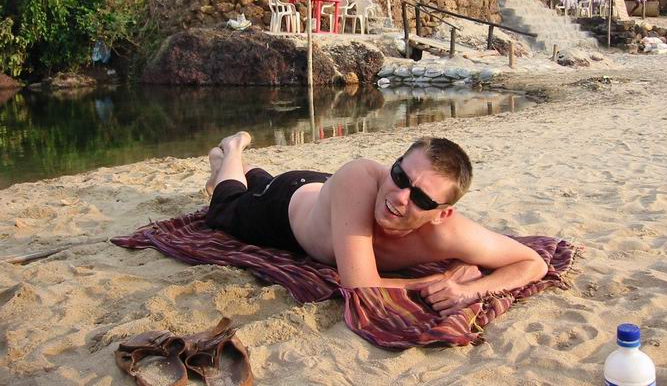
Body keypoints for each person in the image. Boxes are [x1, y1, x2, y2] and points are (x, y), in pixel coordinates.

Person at [205, 132, 548, 315]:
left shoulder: (448, 231)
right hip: (283, 209)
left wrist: (471, 290)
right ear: (393, 165)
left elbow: (533, 263)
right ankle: (232, 150)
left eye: (421, 199)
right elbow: (361, 286)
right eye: (399, 176)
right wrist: (439, 281)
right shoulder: (361, 176)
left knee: (259, 181)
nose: (399, 197)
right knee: (225, 205)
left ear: (442, 213)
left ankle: (242, 169)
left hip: (328, 196)